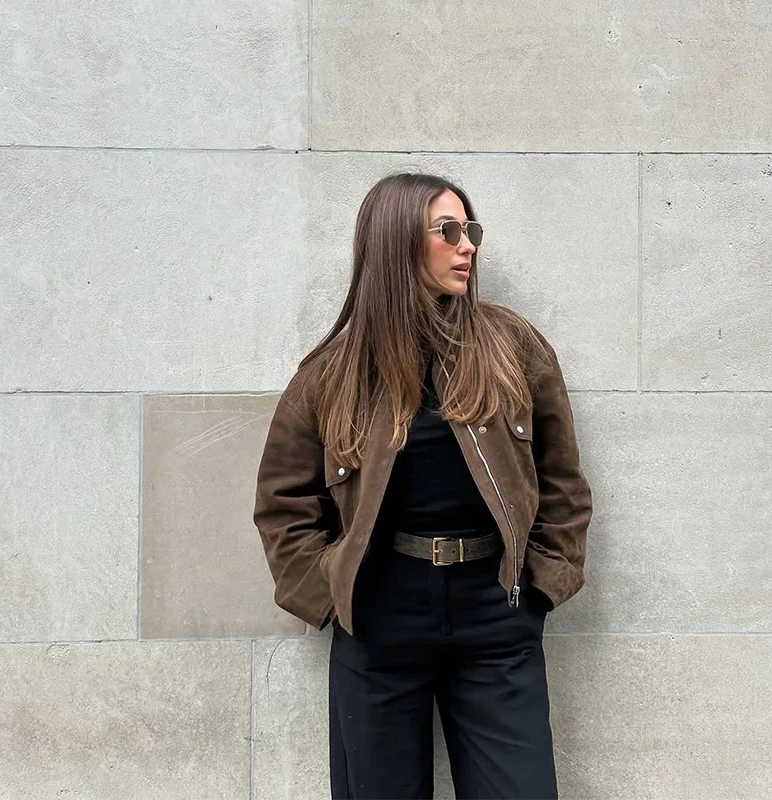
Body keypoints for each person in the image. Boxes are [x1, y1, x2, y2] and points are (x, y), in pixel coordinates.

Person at [253, 171, 593, 799]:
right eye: (448, 231)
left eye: (470, 230)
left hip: (497, 609)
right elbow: (282, 503)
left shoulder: (513, 347)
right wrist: (330, 596)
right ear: (396, 240)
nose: (468, 246)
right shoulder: (334, 371)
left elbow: (563, 481)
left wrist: (544, 584)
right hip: (379, 613)